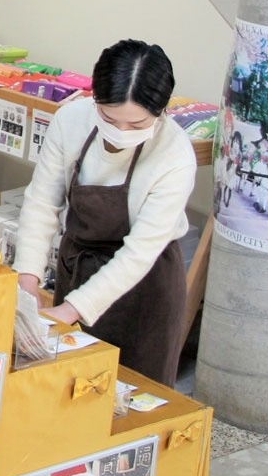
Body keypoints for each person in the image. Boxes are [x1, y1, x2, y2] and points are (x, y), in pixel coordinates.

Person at [14, 39, 196, 385]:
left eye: (137, 124)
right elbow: (42, 203)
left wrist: (70, 310)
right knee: (67, 388)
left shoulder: (175, 155)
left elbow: (139, 253)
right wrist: (28, 283)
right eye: (109, 118)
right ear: (95, 98)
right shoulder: (71, 120)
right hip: (78, 266)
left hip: (145, 286)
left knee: (134, 397)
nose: (121, 132)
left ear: (160, 111)